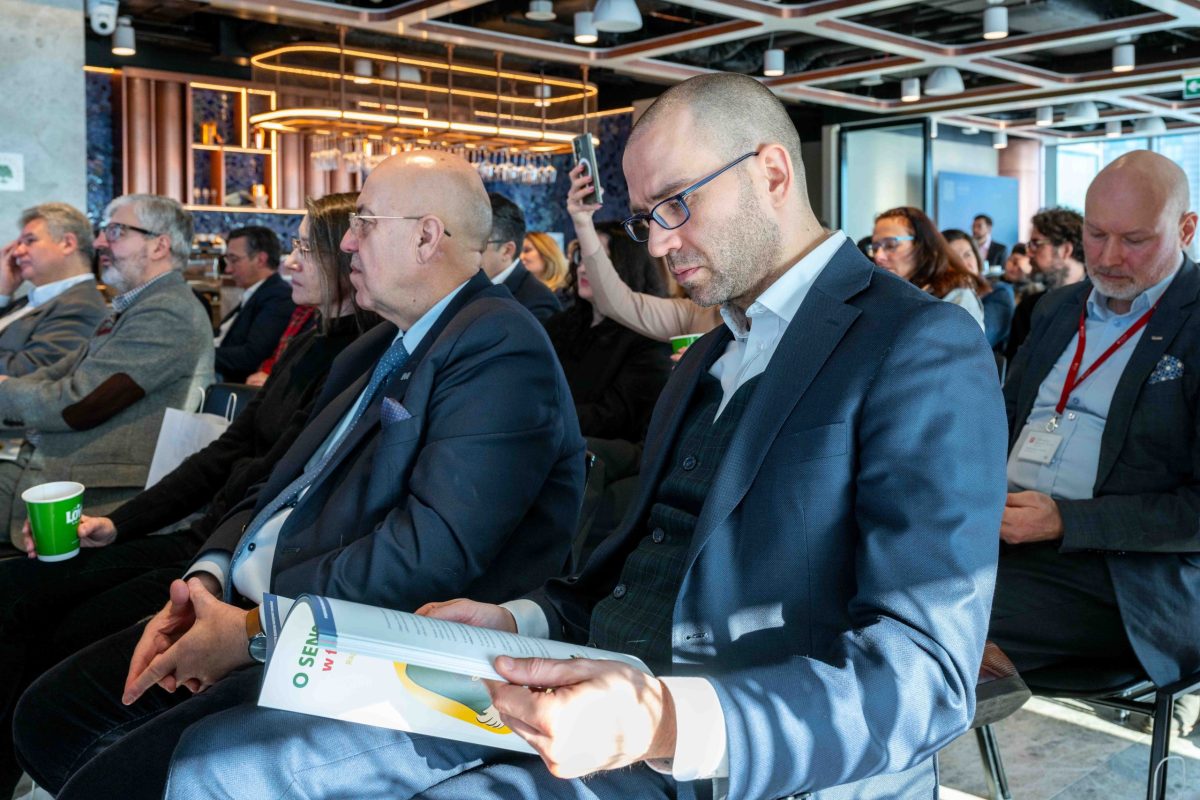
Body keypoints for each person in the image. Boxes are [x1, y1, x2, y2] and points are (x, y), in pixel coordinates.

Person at [162, 71, 1006, 800]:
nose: (661, 242)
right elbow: (627, 571)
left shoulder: (916, 343)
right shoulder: (710, 352)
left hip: (725, 752)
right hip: (578, 689)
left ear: (773, 172)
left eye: (676, 203)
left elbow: (927, 678)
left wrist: (660, 718)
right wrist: (515, 619)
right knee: (223, 761)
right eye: (646, 218)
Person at [12, 150, 585, 800]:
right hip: (252, 604)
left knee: (114, 774)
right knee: (48, 716)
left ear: (427, 237)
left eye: (364, 222)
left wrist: (254, 628)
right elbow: (275, 481)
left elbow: (430, 553)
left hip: (346, 638)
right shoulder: (379, 343)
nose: (348, 243)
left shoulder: (499, 343)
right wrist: (207, 577)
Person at [0, 192, 375, 797]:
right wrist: (122, 524)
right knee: (24, 596)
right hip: (208, 538)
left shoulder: (359, 353)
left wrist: (209, 565)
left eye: (305, 248)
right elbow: (229, 453)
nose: (289, 261)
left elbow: (272, 476)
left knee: (49, 629)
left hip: (233, 557)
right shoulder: (312, 338)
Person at [989, 150, 1200, 736]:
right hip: (1009, 537)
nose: (1107, 258)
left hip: (1132, 576)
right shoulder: (1057, 309)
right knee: (864, 575)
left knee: (941, 615)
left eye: (1134, 240)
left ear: (1186, 229)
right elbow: (1002, 421)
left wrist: (1066, 521)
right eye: (1096, 234)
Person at [0, 194, 214, 548]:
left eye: (116, 231)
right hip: (57, 460)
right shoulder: (138, 306)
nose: (100, 241)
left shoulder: (167, 312)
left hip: (96, 490)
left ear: (159, 245)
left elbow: (79, 404)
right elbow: (60, 374)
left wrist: (4, 390)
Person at [545, 221, 672, 442]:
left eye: (598, 260)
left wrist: (539, 418)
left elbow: (615, 419)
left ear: (629, 266)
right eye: (581, 257)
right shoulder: (561, 323)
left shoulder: (650, 337)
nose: (582, 268)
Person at [567, 161, 722, 342]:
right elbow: (616, 302)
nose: (656, 248)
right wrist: (583, 223)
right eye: (646, 220)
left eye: (678, 205)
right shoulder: (695, 316)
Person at [0, 203, 107, 376]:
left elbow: (23, 373)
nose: (17, 252)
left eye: (30, 241)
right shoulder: (29, 300)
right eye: (19, 243)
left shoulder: (81, 307)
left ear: (67, 244)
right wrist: (2, 294)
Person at [870, 206, 989, 331]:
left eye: (890, 245)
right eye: (875, 248)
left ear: (922, 245)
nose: (878, 256)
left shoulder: (956, 297)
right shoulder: (887, 292)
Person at [214, 226, 295, 383]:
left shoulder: (278, 296)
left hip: (233, 383)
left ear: (261, 259)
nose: (228, 269)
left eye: (234, 260)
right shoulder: (260, 291)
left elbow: (251, 356)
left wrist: (198, 354)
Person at [1004, 207, 1086, 362]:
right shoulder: (1028, 308)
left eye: (1036, 244)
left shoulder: (1101, 305)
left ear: (1065, 250)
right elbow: (1015, 369)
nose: (1029, 253)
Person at [481, 193, 561, 321]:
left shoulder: (538, 303)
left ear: (507, 251)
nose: (469, 251)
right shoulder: (472, 285)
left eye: (480, 244)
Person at [945, 227, 1015, 351]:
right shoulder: (937, 295)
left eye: (967, 255)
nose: (963, 264)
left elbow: (979, 340)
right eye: (953, 258)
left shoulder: (999, 292)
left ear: (977, 258)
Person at [521, 230, 571, 299]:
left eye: (527, 250)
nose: (521, 257)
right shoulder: (518, 291)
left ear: (546, 253)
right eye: (518, 252)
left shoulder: (566, 293)